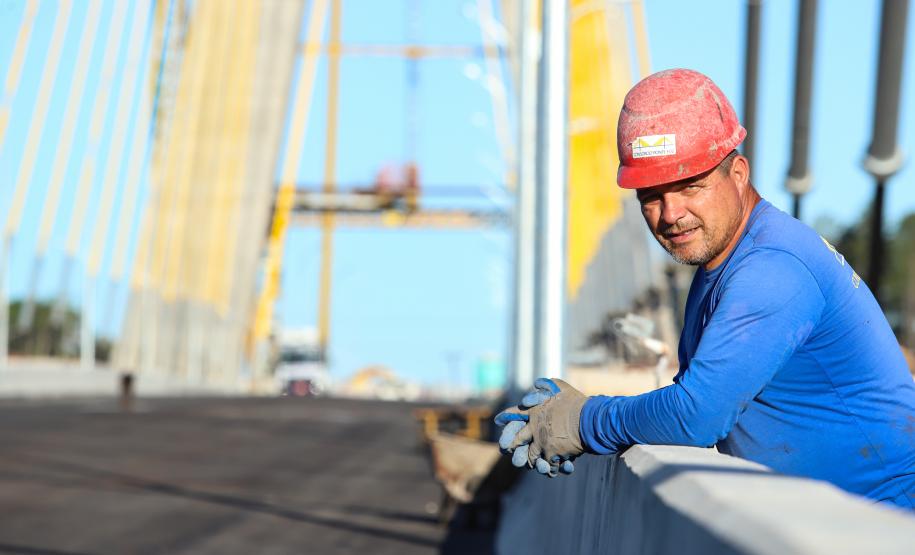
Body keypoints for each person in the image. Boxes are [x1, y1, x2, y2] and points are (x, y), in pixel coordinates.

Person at [496, 68, 915, 509]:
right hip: (822, 516)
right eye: (651, 196)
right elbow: (688, 403)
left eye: (690, 187)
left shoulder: (772, 269)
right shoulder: (722, 264)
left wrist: (584, 423)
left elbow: (697, 416)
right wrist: (583, 426)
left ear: (738, 173)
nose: (671, 214)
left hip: (881, 522)